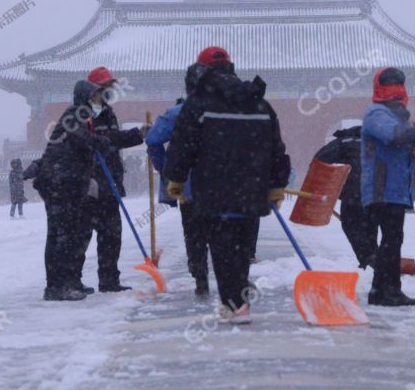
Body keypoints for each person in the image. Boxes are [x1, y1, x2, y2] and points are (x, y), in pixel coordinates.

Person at [164, 47, 291, 323]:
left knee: (222, 248)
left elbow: (182, 144)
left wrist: (175, 177)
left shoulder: (198, 104)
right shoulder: (258, 103)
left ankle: (234, 305)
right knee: (242, 249)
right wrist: (277, 184)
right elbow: (276, 148)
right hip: (251, 189)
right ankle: (239, 300)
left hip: (214, 189)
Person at [32, 80, 111, 301]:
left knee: (69, 234)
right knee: (60, 235)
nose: (98, 101)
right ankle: (56, 287)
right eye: (95, 96)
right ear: (85, 97)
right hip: (58, 185)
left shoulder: (82, 117)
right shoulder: (73, 115)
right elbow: (80, 139)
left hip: (66, 184)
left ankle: (69, 282)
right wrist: (99, 142)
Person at [361, 67, 415, 307]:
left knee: (393, 238)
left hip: (397, 188)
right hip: (381, 187)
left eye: (398, 84)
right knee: (391, 239)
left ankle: (384, 290)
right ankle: (386, 290)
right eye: (390, 84)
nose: (395, 89)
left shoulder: (402, 115)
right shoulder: (376, 114)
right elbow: (394, 136)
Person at [75, 66, 146, 294]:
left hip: (110, 184)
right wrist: (136, 135)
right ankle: (72, 280)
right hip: (91, 185)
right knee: (82, 237)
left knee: (111, 236)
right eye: (104, 87)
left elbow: (112, 141)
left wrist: (138, 135)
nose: (109, 91)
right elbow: (104, 140)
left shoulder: (107, 111)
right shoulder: (83, 116)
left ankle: (109, 279)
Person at [146, 64, 212, 297]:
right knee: (221, 234)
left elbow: (153, 139)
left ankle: (199, 274)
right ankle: (229, 278)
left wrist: (164, 167)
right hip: (220, 185)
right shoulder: (225, 109)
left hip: (187, 186)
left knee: (194, 232)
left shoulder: (176, 113)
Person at [314, 125, 377, 270]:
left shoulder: (343, 142)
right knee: (370, 226)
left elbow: (320, 159)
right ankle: (373, 258)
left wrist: (328, 182)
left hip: (354, 192)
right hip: (377, 192)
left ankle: (368, 259)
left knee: (350, 224)